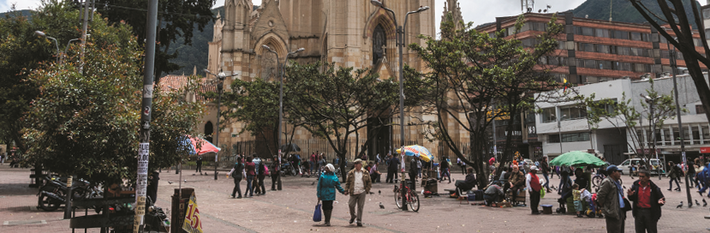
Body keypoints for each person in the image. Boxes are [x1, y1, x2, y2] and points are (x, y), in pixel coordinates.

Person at [598, 165, 628, 233]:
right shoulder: (607, 182)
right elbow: (600, 196)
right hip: (612, 212)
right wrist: (606, 208)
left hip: (620, 210)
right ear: (613, 172)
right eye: (618, 172)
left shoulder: (617, 182)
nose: (620, 174)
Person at [344, 159, 371, 227]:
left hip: (362, 191)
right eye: (355, 164)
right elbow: (347, 182)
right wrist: (346, 190)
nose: (355, 165)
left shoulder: (365, 172)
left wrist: (367, 190)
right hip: (353, 191)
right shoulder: (351, 172)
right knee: (351, 205)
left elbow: (369, 182)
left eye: (357, 164)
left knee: (360, 207)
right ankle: (353, 216)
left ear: (360, 164)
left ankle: (359, 220)